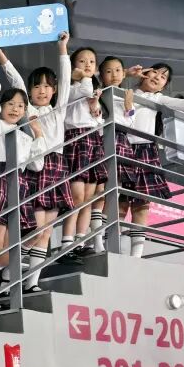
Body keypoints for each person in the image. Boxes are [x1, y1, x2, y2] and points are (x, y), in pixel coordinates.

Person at [0, 32, 50, 312]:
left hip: (19, 184)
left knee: (10, 247)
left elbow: (37, 165)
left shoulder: (25, 136)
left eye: (21, 105)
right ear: (1, 107)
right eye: (11, 104)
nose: (16, 109)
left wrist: (39, 135)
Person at [120, 63, 184, 258]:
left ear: (164, 86)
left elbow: (183, 104)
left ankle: (136, 256)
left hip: (145, 150)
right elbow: (108, 81)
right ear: (144, 73)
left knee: (141, 204)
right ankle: (112, 247)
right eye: (155, 71)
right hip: (121, 147)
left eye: (163, 77)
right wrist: (126, 74)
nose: (157, 77)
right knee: (120, 201)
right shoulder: (125, 91)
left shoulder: (158, 98)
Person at [0, 32, 73, 290]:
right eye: (37, 86)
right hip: (36, 167)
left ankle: (31, 283)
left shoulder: (58, 110)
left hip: (57, 167)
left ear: (54, 90)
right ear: (30, 91)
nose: (42, 90)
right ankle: (8, 272)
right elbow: (15, 79)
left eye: (47, 86)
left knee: (46, 232)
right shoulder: (27, 109)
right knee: (35, 231)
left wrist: (63, 48)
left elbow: (66, 78)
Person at [90, 55, 136, 254]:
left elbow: (130, 123)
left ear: (123, 73)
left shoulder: (126, 95)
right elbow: (99, 120)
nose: (114, 75)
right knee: (100, 193)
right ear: (101, 75)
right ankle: (96, 240)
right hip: (102, 142)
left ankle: (104, 238)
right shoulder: (98, 93)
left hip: (121, 143)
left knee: (114, 194)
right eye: (108, 71)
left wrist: (128, 106)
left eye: (118, 70)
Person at [62, 46, 105, 259]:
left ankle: (81, 240)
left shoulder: (93, 92)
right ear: (73, 66)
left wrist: (95, 107)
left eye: (91, 61)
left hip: (92, 139)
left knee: (89, 196)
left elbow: (100, 125)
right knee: (76, 195)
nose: (87, 64)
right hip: (75, 139)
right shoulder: (68, 89)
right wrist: (85, 79)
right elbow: (84, 90)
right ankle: (67, 242)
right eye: (82, 61)